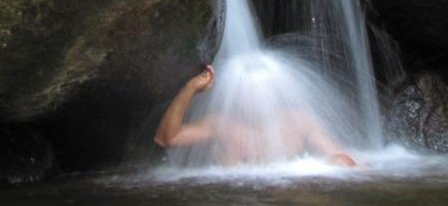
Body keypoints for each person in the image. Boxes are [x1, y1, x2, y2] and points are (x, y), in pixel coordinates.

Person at [153, 64, 357, 167]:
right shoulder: (221, 124)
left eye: (263, 91)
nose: (257, 97)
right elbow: (165, 138)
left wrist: (338, 163)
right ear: (237, 95)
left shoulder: (299, 122)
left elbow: (340, 157)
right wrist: (190, 89)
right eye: (248, 91)